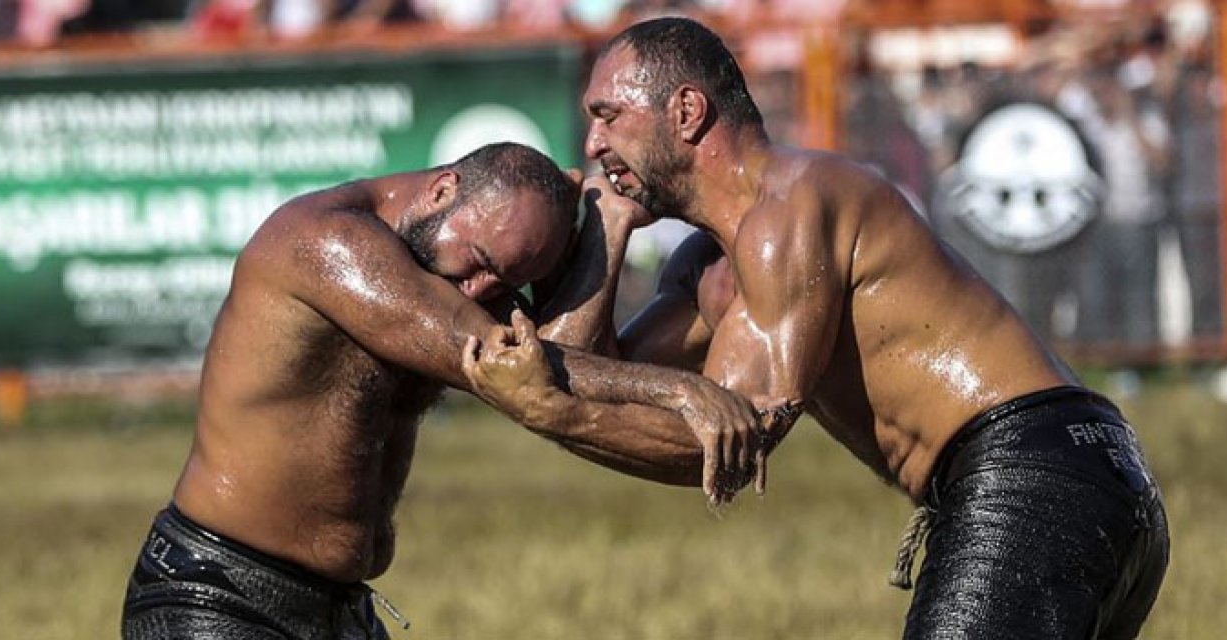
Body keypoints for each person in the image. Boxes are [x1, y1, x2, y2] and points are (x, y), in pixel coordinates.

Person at [461, 19, 1169, 638]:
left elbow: (726, 443)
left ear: (685, 111)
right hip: (1075, 473)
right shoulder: (708, 265)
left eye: (609, 115)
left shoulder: (791, 207)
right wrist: (606, 229)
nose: (592, 140)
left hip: (1030, 475)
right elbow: (599, 380)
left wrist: (545, 408)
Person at [120, 142, 769, 639]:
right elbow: (500, 356)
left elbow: (552, 365)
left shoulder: (456, 269)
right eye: (481, 260)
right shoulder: (324, 242)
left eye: (507, 282)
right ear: (442, 190)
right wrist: (682, 392)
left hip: (340, 609)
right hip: (216, 597)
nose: (483, 292)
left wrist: (609, 222)